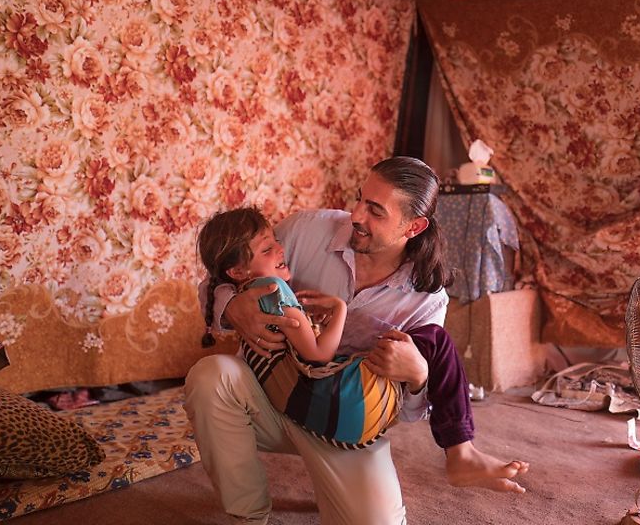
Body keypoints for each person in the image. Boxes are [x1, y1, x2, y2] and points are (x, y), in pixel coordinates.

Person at [184, 157, 528, 525]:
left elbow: (406, 411)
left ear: (414, 227)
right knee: (210, 376)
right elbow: (221, 274)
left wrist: (417, 378)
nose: (356, 215)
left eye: (375, 210)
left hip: (342, 422)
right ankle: (248, 515)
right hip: (268, 399)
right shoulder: (305, 231)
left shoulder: (427, 299)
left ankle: (456, 454)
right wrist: (233, 305)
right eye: (360, 199)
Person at [197, 206, 402, 449]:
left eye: (276, 241)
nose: (280, 249)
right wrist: (339, 309)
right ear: (238, 272)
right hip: (334, 411)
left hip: (292, 402)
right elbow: (319, 355)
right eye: (267, 249)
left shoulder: (251, 293)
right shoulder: (272, 289)